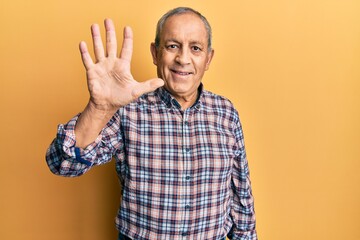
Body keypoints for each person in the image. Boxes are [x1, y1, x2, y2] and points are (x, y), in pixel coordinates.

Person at [46, 7, 257, 240]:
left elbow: (241, 198)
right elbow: (63, 165)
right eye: (172, 46)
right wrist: (99, 108)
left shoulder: (226, 113)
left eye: (195, 48)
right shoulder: (128, 111)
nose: (183, 58)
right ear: (155, 53)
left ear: (208, 58)